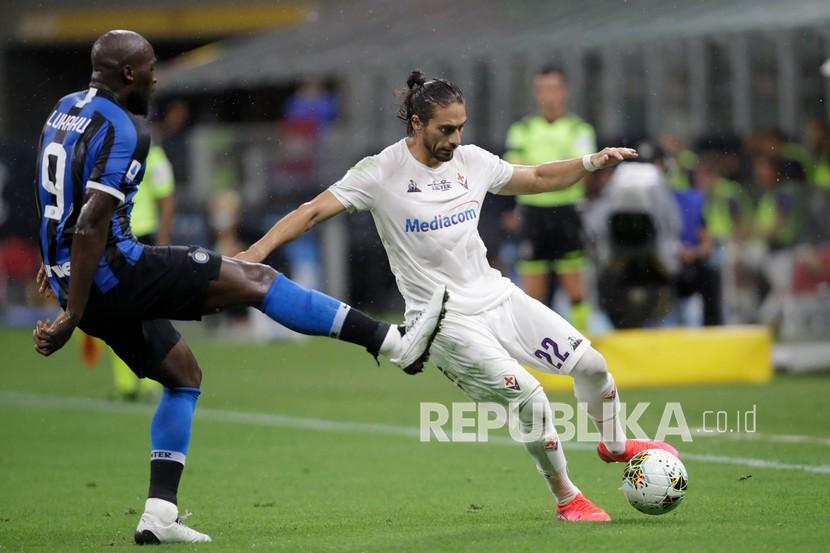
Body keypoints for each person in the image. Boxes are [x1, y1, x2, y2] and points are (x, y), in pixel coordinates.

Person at [33, 31, 447, 544]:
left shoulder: (64, 109)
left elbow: (56, 195)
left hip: (79, 275)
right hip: (116, 271)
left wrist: (54, 265)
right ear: (128, 75)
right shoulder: (128, 129)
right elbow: (93, 221)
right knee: (256, 278)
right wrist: (72, 314)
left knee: (183, 375)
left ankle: (159, 513)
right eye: (151, 67)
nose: (158, 77)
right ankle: (394, 343)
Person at [237, 71, 679, 522]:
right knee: (529, 398)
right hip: (444, 321)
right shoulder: (380, 171)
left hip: (497, 296)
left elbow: (540, 177)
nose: (455, 138)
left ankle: (616, 444)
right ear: (416, 123)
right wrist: (253, 254)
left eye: (461, 127)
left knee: (593, 366)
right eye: (445, 129)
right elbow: (311, 212)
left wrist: (591, 163)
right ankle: (568, 497)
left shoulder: (472, 161)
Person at [504, 65, 596, 332]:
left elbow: (582, 173)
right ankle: (538, 351)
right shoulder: (522, 129)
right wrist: (561, 172)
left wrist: (540, 174)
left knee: (575, 290)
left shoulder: (579, 129)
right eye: (543, 89)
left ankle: (584, 343)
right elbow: (516, 172)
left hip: (567, 213)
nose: (549, 96)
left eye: (554, 89)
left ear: (564, 91)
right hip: (534, 214)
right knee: (533, 294)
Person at [110, 142, 175, 400]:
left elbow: (167, 200)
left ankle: (153, 382)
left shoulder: (154, 154)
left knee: (147, 310)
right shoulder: (114, 149)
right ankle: (125, 385)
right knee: (114, 310)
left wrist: (163, 243)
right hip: (114, 238)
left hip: (143, 237)